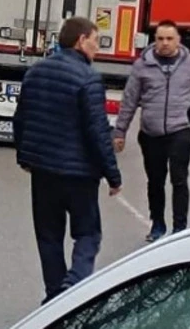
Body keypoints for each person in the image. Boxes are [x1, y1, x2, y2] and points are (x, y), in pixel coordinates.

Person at [13, 17, 122, 304]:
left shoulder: (35, 73)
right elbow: (97, 131)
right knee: (87, 234)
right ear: (80, 40)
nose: (98, 48)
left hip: (43, 172)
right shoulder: (89, 78)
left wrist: (24, 156)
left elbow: (21, 119)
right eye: (96, 41)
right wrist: (113, 175)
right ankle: (73, 287)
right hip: (79, 175)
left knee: (48, 236)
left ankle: (53, 296)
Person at [113, 19, 190, 242]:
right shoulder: (142, 65)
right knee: (155, 181)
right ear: (154, 40)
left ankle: (180, 228)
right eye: (160, 39)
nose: (164, 43)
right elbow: (129, 100)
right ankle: (157, 224)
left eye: (169, 39)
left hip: (179, 131)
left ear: (178, 40)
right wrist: (120, 132)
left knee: (179, 179)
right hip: (151, 133)